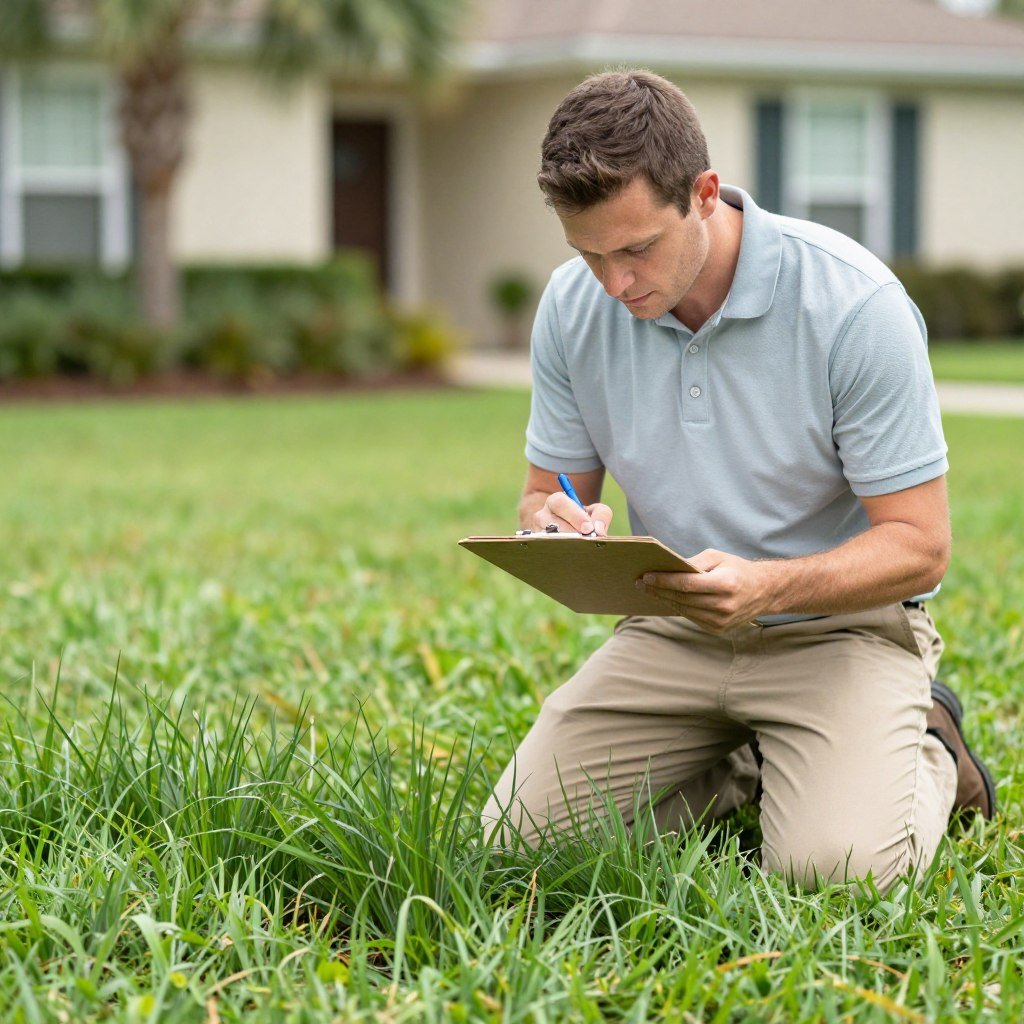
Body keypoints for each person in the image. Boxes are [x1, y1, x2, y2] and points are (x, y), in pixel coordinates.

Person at [479, 70, 996, 891]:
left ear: (706, 193)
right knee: (521, 845)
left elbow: (921, 548)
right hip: (673, 631)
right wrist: (558, 527)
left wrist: (769, 585)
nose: (616, 283)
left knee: (836, 873)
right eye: (590, 253)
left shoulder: (854, 305)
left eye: (637, 248)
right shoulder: (574, 306)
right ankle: (759, 762)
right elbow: (548, 495)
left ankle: (931, 751)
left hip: (841, 632)